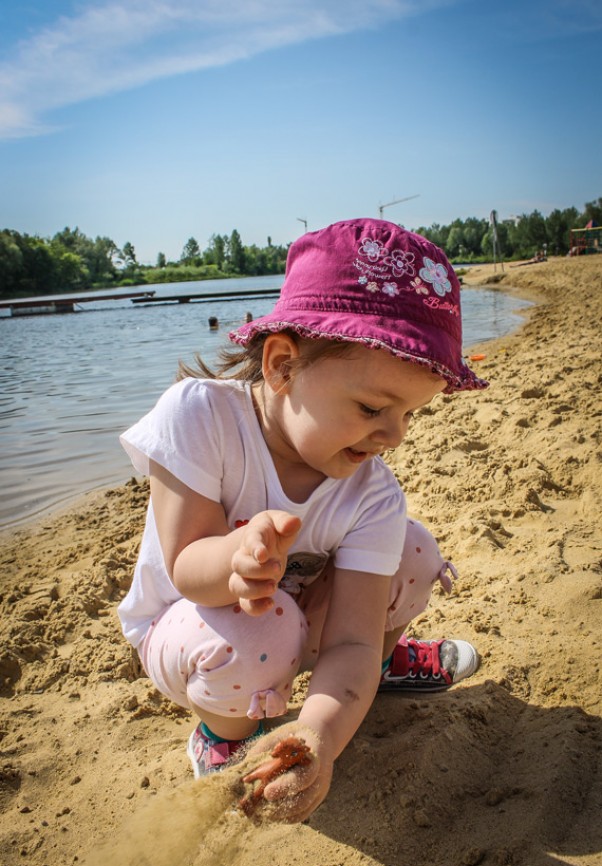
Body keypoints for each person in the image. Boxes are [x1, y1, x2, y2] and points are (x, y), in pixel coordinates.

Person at [118, 218, 487, 822]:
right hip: (193, 626)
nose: (393, 436)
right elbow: (186, 566)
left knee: (413, 553)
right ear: (282, 365)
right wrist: (235, 563)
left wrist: (318, 736)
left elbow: (350, 639)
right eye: (372, 408)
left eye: (410, 415)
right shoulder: (200, 419)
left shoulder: (372, 494)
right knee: (265, 629)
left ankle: (367, 680)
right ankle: (224, 733)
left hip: (304, 616)